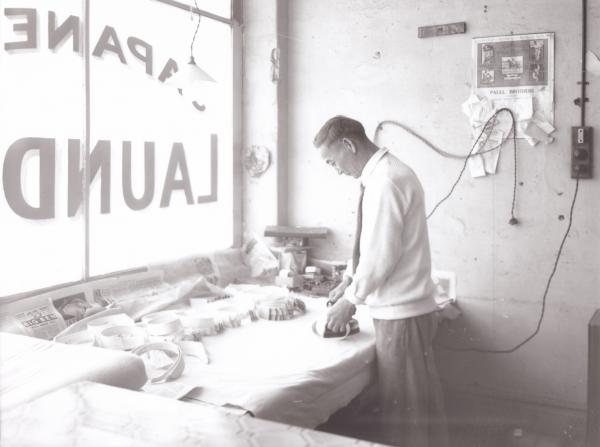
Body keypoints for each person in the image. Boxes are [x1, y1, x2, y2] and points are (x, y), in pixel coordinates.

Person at [313, 115, 448, 447]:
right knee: (414, 401)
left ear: (348, 144)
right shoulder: (381, 176)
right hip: (402, 309)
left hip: (402, 312)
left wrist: (351, 301)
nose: (336, 169)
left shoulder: (386, 181)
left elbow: (381, 255)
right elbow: (368, 241)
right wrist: (348, 279)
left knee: (406, 410)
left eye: (333, 161)